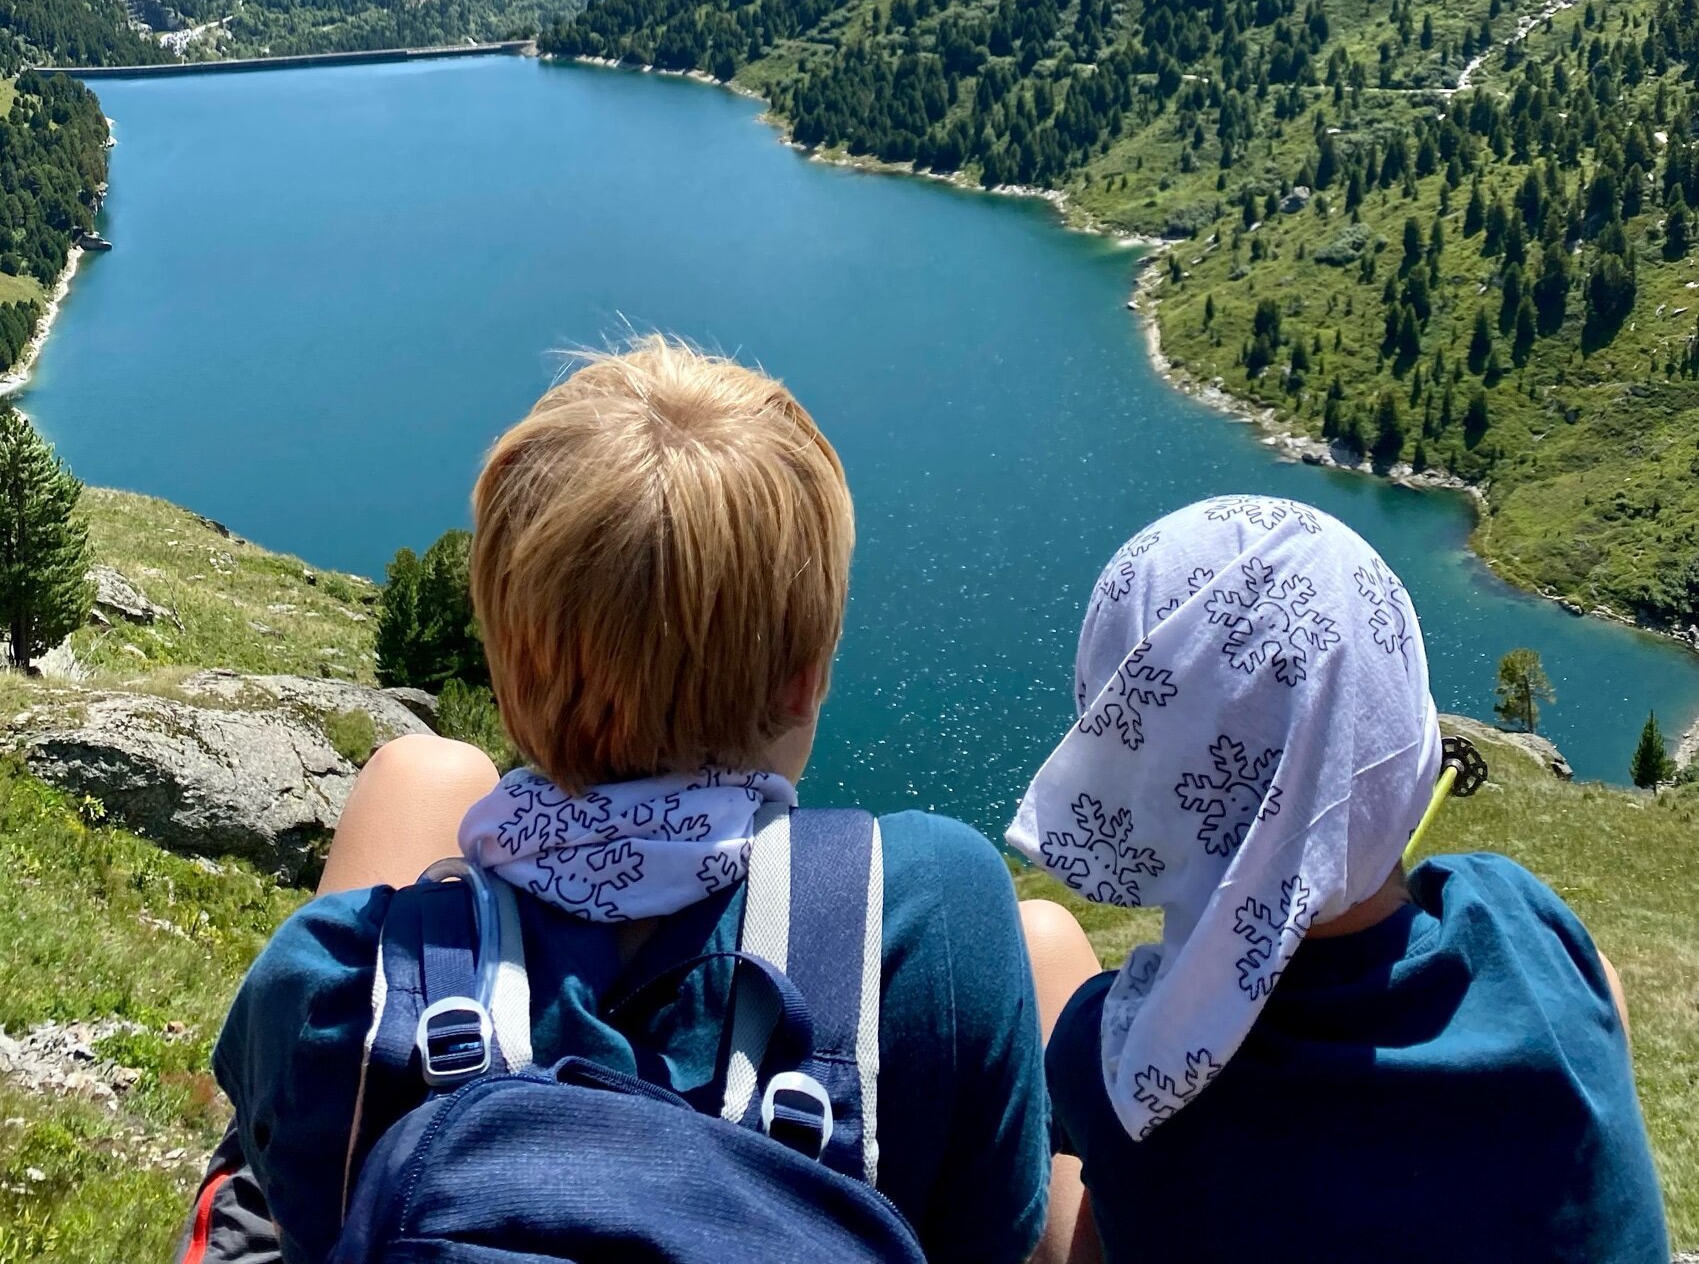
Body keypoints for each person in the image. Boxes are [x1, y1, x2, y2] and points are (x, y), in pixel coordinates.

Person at [205, 336, 1050, 1264]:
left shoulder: (331, 979)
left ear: (504, 668)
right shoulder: (937, 915)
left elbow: (269, 1174)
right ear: (804, 685)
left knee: (418, 770)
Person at [1009, 496, 1671, 1264]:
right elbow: (1600, 999)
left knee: (1041, 939)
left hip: (1131, 1137)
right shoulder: (1519, 919)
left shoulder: (1111, 1059)